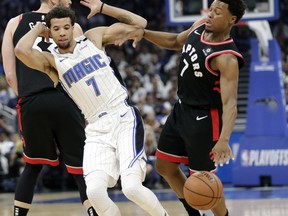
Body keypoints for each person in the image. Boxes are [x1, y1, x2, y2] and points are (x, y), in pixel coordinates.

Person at [14, 1, 169, 216]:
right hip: (96, 127)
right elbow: (21, 50)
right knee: (94, 192)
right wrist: (39, 29)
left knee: (131, 187)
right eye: (56, 29)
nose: (62, 33)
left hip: (123, 116)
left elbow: (139, 23)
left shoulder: (93, 38)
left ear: (73, 27)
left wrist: (104, 7)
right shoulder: (53, 62)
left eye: (66, 27)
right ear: (50, 31)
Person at [119, 0, 246, 215]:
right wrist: (144, 33)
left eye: (217, 12)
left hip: (204, 120)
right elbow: (175, 40)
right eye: (210, 9)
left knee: (206, 182)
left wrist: (224, 139)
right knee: (164, 167)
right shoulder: (199, 27)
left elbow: (230, 103)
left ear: (231, 19)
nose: (210, 14)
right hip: (181, 110)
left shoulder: (226, 57)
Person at [1, 0, 98, 215]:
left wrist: (28, 95)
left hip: (32, 101)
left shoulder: (14, 23)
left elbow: (9, 75)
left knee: (32, 166)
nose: (71, 1)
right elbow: (83, 69)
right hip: (66, 100)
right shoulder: (72, 26)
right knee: (80, 168)